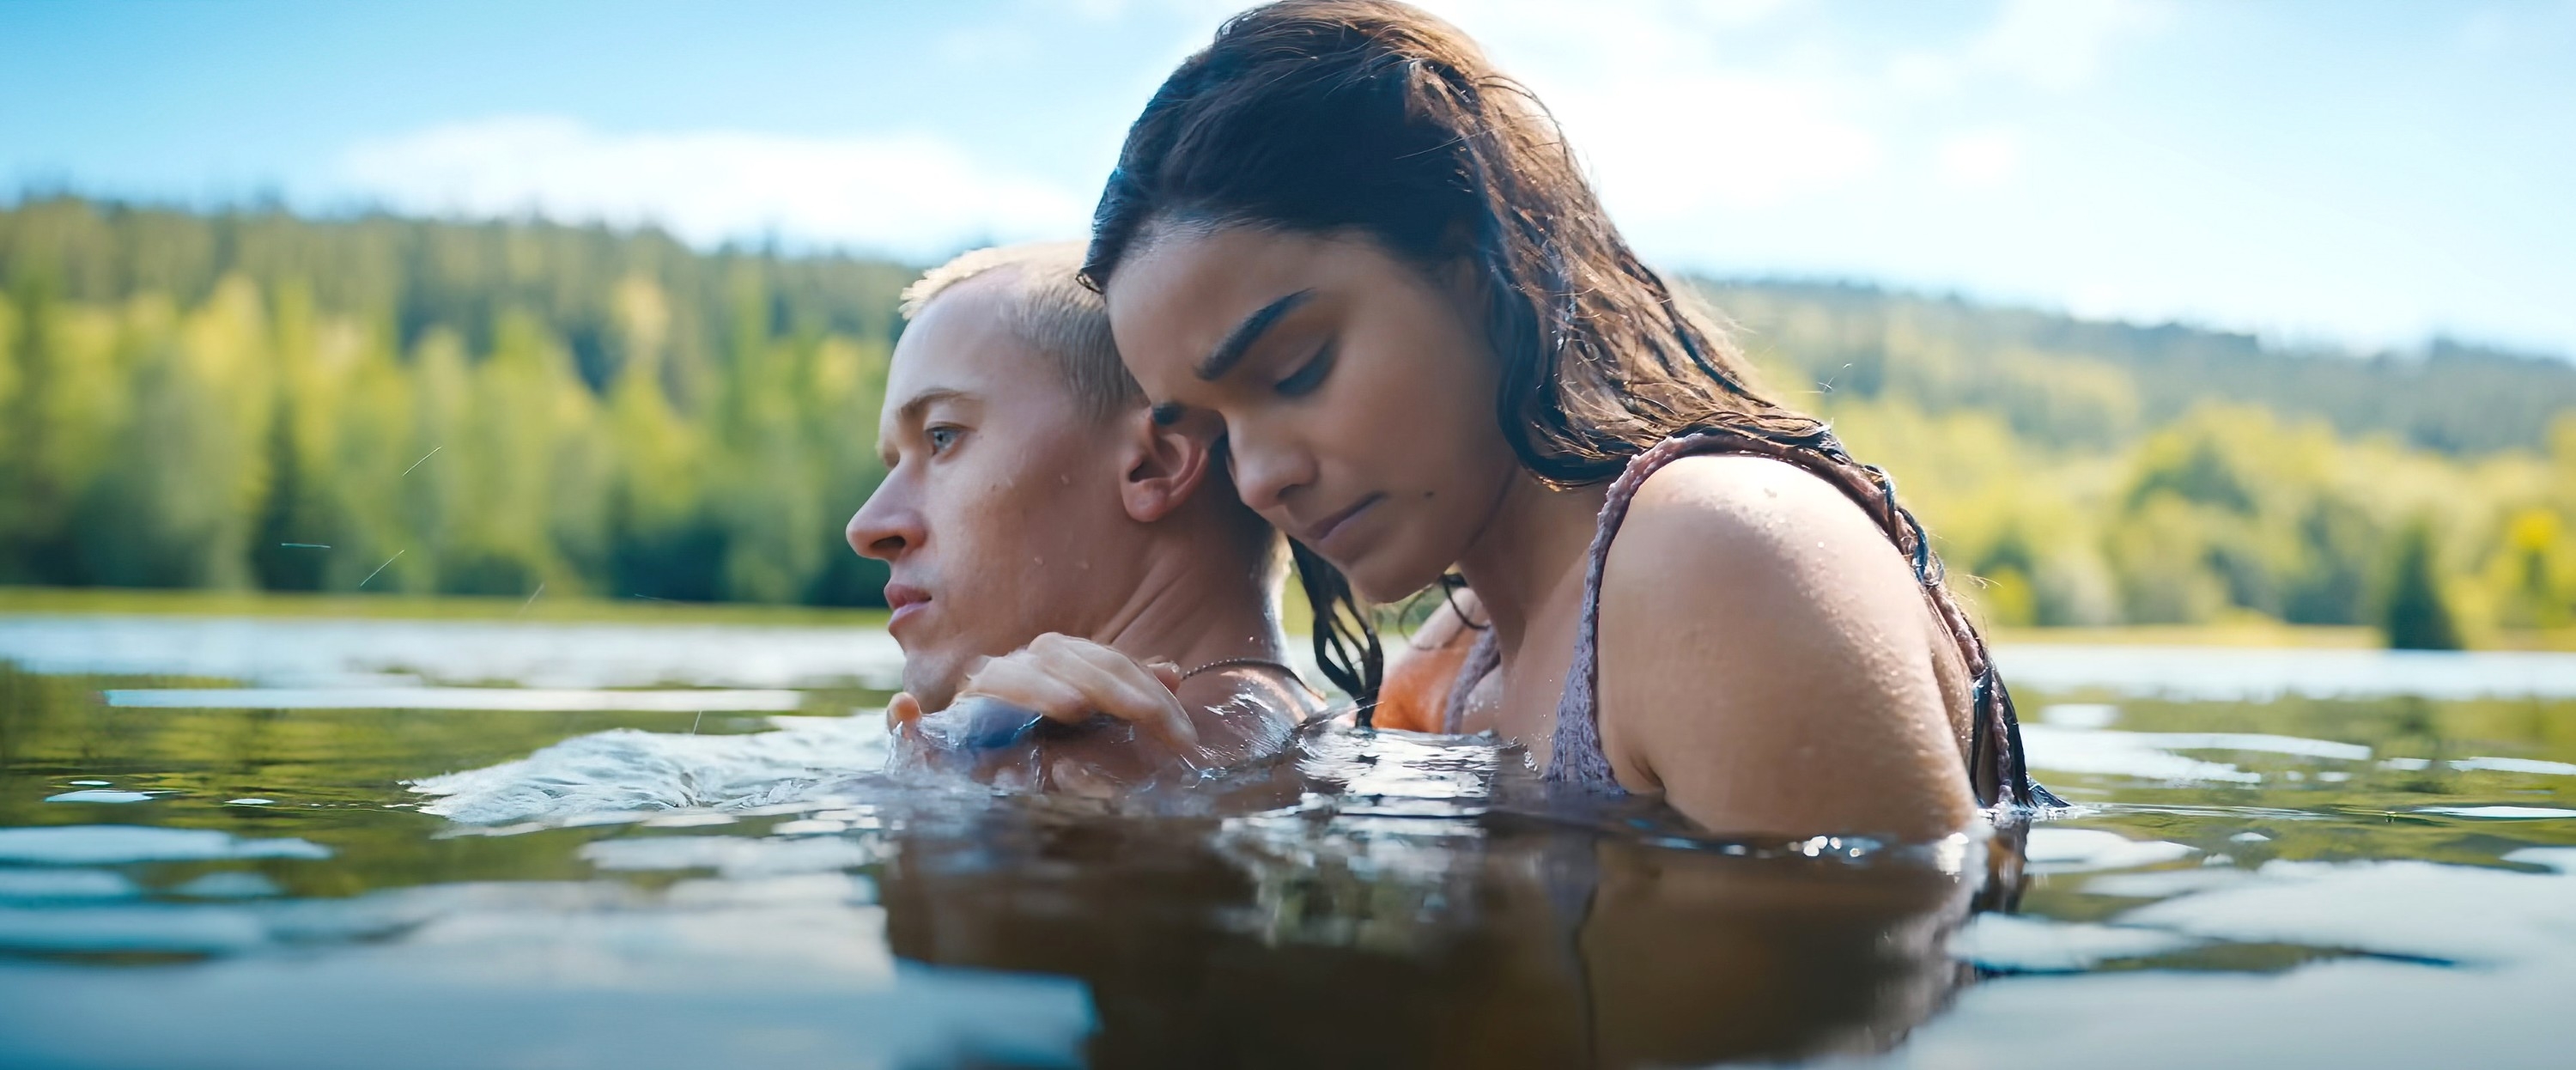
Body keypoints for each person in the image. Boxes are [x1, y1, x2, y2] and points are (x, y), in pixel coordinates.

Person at [1078, 0, 2056, 836]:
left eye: (1295, 370)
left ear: (1474, 263)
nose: (1257, 477)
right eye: (1214, 426)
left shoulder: (1719, 558)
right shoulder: (1452, 667)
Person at [845, 242, 1322, 790]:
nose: (867, 527)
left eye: (942, 437)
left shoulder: (1099, 773)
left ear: (1153, 464)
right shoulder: (1291, 737)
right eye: (894, 462)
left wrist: (973, 773)